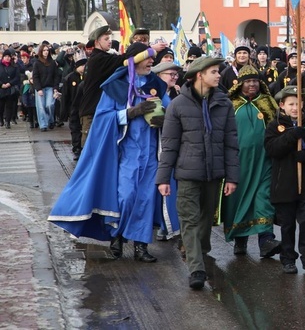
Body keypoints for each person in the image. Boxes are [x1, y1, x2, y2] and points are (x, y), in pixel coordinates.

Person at [48, 43, 169, 262]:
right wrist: (130, 113)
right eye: (147, 58)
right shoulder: (115, 86)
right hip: (125, 152)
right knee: (125, 195)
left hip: (151, 152)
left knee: (146, 198)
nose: (152, 62)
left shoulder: (157, 85)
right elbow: (102, 119)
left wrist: (166, 119)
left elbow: (170, 110)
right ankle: (117, 239)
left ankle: (141, 246)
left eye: (153, 58)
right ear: (134, 61)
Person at [157, 55, 240, 290]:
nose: (218, 75)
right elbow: (170, 144)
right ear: (199, 75)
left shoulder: (224, 104)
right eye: (214, 71)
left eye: (218, 71)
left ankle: (199, 251)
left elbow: (231, 143)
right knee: (189, 220)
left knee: (205, 221)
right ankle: (196, 269)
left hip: (214, 174)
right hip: (187, 174)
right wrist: (163, 178)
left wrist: (232, 177)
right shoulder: (178, 105)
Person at [264, 86, 305, 275]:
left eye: (298, 103)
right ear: (282, 105)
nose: (295, 107)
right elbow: (272, 150)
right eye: (291, 104)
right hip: (283, 184)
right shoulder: (274, 125)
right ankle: (287, 258)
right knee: (287, 225)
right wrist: (292, 135)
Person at [222, 64, 282, 258]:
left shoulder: (268, 103)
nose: (252, 85)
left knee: (263, 196)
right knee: (238, 201)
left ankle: (266, 240)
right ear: (240, 84)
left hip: (264, 161)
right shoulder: (230, 105)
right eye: (248, 81)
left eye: (255, 81)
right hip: (238, 163)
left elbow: (279, 128)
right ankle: (240, 240)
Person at [78, 26, 165, 146]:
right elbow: (124, 60)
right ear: (97, 42)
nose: (110, 41)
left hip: (93, 110)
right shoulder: (98, 59)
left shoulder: (100, 58)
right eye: (106, 39)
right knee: (94, 153)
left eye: (110, 38)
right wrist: (149, 49)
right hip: (93, 112)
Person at [151, 61, 183, 243]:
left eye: (175, 74)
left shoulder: (172, 93)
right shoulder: (157, 95)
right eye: (170, 74)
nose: (174, 77)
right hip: (161, 147)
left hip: (173, 145)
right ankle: (166, 225)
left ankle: (166, 225)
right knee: (166, 185)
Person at [60, 50, 87, 158]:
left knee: (84, 128)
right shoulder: (70, 78)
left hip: (85, 107)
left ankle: (84, 148)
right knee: (75, 129)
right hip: (73, 108)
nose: (85, 67)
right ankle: (76, 148)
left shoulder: (88, 77)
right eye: (83, 65)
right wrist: (64, 113)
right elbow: (65, 97)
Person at [0, 48, 21, 129]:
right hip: (1, 89)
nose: (7, 58)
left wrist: (10, 83)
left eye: (9, 56)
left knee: (9, 106)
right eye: (6, 56)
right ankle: (1, 119)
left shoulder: (14, 66)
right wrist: (1, 84)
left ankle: (8, 121)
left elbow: (17, 77)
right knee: (1, 106)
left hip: (10, 88)